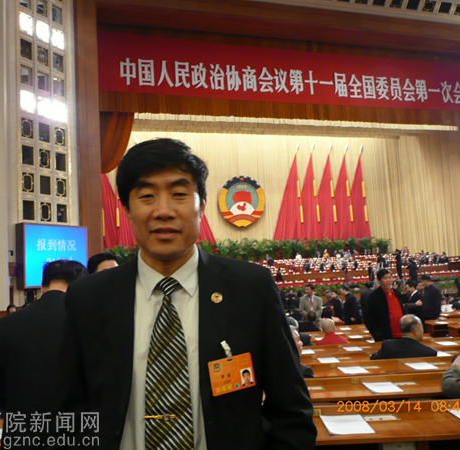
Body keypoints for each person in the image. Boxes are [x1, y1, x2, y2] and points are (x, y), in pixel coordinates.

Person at [61, 138, 316, 450]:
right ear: (127, 208)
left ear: (203, 205)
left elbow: (291, 409)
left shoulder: (250, 288)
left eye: (179, 194)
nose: (163, 211)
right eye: (147, 196)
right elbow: (70, 409)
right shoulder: (89, 298)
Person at [0, 260, 88, 414]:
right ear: (82, 286)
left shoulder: (3, 324)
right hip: (78, 423)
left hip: (22, 422)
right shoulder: (89, 321)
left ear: (42, 288)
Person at [363, 269, 406, 342]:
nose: (389, 280)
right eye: (385, 278)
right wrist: (377, 334)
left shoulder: (397, 293)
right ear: (379, 280)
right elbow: (367, 317)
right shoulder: (374, 296)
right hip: (386, 336)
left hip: (402, 334)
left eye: (390, 277)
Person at [370, 315, 437, 360]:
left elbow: (374, 359)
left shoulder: (388, 346)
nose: (423, 331)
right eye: (422, 327)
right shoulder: (429, 352)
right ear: (416, 331)